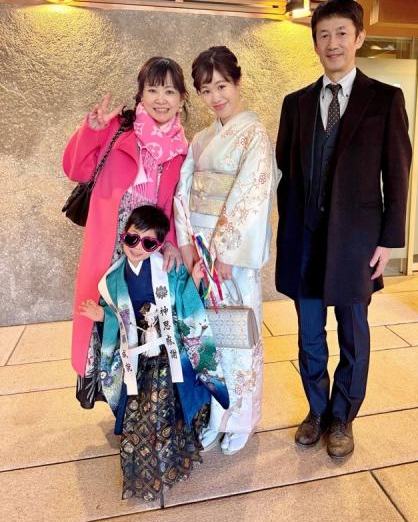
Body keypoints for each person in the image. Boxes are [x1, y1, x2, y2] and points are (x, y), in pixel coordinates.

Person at [275, 0, 412, 459]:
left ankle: (343, 417)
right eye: (323, 35)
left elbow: (397, 172)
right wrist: (288, 231)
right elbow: (286, 174)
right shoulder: (295, 104)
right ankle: (317, 410)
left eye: (341, 33)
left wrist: (389, 238)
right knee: (310, 334)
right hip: (305, 241)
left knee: (353, 333)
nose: (332, 43)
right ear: (315, 43)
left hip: (356, 242)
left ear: (359, 38)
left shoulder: (384, 99)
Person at [78, 205, 229, 503]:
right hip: (136, 357)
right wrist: (102, 315)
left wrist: (194, 279)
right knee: (140, 415)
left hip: (167, 354)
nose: (137, 248)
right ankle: (146, 471)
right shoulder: (112, 279)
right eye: (132, 239)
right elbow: (115, 314)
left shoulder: (166, 269)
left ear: (159, 245)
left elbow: (185, 304)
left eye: (148, 243)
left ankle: (169, 464)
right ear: (124, 235)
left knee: (166, 409)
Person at [63, 57, 189, 408]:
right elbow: (75, 170)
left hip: (148, 248)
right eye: (153, 90)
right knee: (104, 311)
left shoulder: (182, 148)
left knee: (142, 318)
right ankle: (109, 392)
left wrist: (172, 243)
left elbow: (175, 204)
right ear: (141, 95)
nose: (161, 99)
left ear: (181, 99)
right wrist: (92, 130)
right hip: (110, 244)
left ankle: (139, 401)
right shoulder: (119, 129)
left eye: (169, 91)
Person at [174, 46, 279, 455]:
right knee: (206, 338)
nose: (215, 97)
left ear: (237, 82)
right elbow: (184, 191)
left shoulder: (254, 135)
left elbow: (252, 196)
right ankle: (214, 415)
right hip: (201, 254)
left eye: (222, 86)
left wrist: (226, 253)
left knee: (238, 337)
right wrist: (188, 246)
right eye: (206, 90)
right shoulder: (201, 139)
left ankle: (241, 418)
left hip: (229, 259)